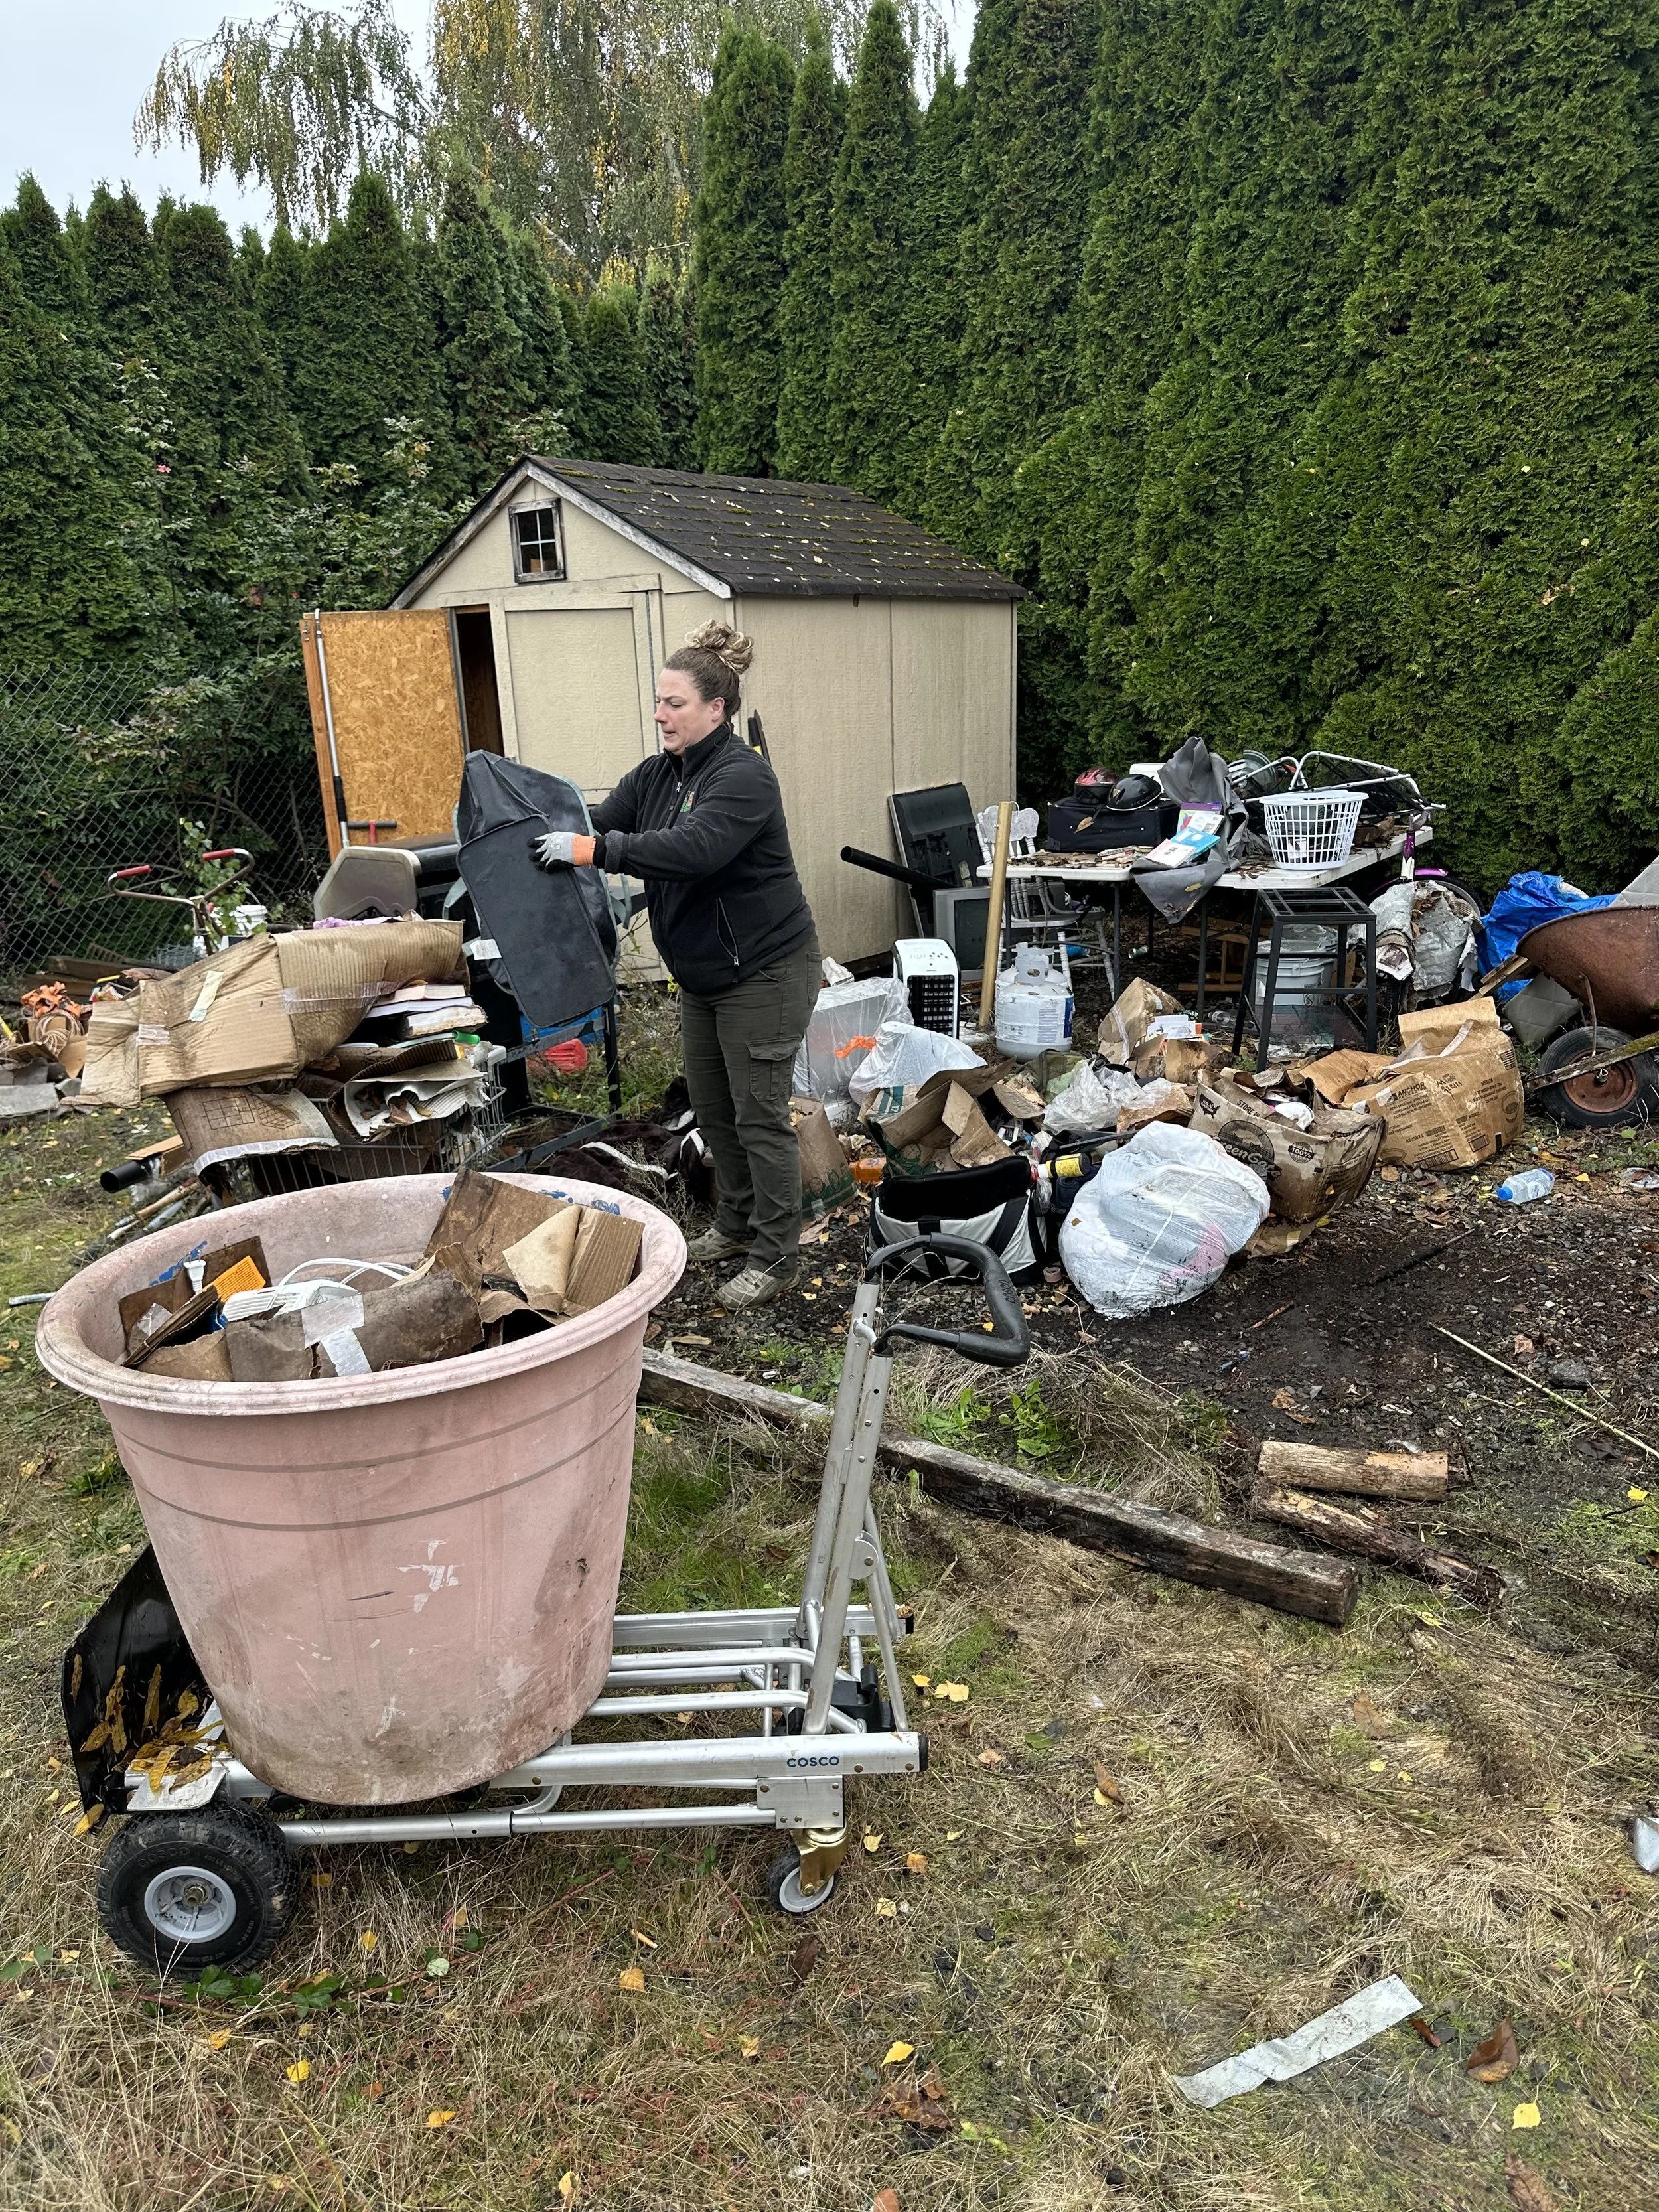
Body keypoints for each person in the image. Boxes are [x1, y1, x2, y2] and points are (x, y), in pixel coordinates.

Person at [534, 621, 820, 1311]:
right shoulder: (659, 775)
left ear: (715, 710)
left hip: (766, 971)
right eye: (658, 702)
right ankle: (737, 1223)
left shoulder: (744, 778)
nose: (660, 715)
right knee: (713, 1111)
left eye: (675, 704)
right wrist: (544, 830)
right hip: (703, 975)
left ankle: (778, 1255)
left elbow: (694, 849)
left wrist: (593, 853)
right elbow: (603, 819)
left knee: (759, 1117)